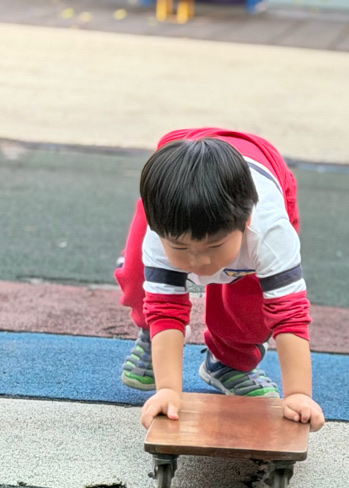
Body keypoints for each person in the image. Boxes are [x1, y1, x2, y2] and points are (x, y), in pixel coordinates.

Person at [114, 127, 324, 432]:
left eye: (213, 247)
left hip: (262, 167)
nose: (199, 263)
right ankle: (150, 334)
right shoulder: (163, 229)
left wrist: (298, 395)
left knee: (251, 305)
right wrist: (168, 390)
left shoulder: (269, 232)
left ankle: (229, 360)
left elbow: (289, 315)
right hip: (173, 182)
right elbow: (165, 307)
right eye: (181, 248)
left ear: (246, 221)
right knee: (139, 282)